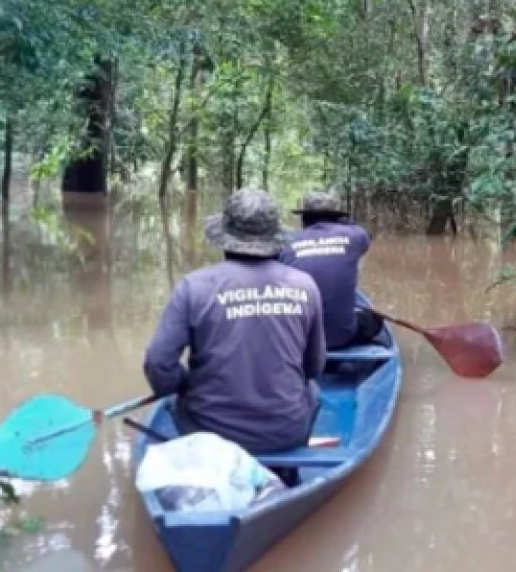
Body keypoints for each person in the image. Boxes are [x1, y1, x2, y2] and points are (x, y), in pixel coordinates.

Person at [143, 188, 325, 455]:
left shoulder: (194, 287)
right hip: (285, 432)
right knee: (315, 393)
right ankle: (289, 471)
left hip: (209, 434)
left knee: (171, 402)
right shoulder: (305, 286)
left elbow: (158, 363)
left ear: (225, 238)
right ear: (274, 238)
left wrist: (182, 384)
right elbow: (314, 367)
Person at [279, 192, 383, 349]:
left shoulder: (287, 243)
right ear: (337, 218)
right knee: (375, 320)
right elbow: (365, 236)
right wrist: (344, 222)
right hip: (341, 337)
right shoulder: (354, 235)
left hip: (300, 339)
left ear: (304, 219)